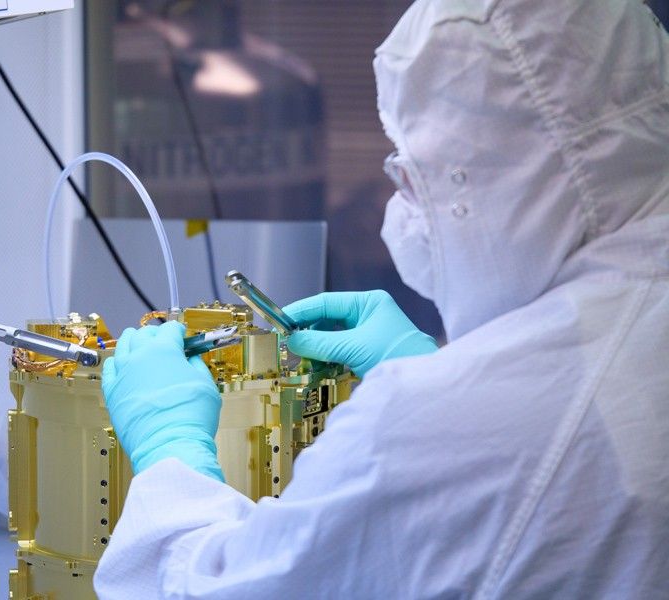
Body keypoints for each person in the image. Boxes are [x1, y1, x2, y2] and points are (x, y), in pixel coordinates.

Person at [94, 0, 669, 597]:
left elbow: (220, 588)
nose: (399, 209)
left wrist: (170, 453)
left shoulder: (427, 430)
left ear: (494, 180)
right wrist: (427, 373)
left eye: (414, 176)